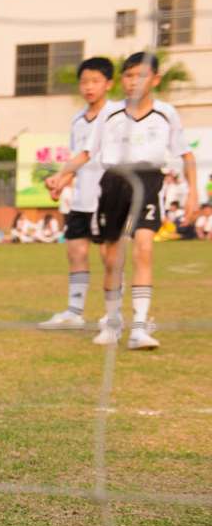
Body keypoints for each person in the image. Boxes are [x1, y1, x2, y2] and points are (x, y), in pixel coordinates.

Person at [90, 51, 197, 350]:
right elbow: (87, 152)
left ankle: (139, 326)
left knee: (144, 248)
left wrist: (193, 195)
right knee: (111, 258)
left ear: (155, 79)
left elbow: (186, 155)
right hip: (113, 181)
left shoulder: (166, 113)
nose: (134, 81)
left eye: (141, 75)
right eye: (128, 75)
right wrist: (62, 177)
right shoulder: (108, 114)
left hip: (149, 181)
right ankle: (112, 322)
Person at [39, 57, 120, 330]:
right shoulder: (77, 120)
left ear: (108, 84)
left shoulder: (117, 115)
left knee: (109, 257)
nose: (89, 87)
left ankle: (112, 314)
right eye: (84, 81)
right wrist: (62, 181)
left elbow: (92, 154)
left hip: (108, 197)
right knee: (75, 252)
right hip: (82, 198)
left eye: (95, 81)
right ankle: (75, 312)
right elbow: (79, 158)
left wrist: (63, 174)